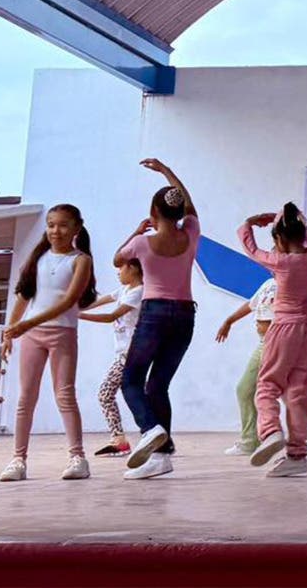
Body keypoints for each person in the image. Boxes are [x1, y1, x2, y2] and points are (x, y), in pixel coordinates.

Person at [0, 204, 98, 482]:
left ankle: (78, 457)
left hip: (62, 333)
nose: (56, 231)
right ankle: (18, 459)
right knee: (26, 397)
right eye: (51, 225)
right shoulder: (38, 258)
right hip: (32, 336)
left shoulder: (80, 260)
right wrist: (10, 331)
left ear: (77, 228)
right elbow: (23, 296)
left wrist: (27, 323)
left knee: (64, 394)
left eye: (63, 225)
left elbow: (68, 301)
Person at [115, 158, 200, 480]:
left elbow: (117, 259)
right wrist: (167, 172)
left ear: (153, 214)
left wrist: (136, 231)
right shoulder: (191, 234)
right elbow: (189, 205)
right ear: (180, 214)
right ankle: (162, 457)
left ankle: (150, 429)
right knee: (158, 385)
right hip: (185, 315)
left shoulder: (141, 243)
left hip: (154, 314)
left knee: (131, 380)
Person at [238, 204, 307, 477]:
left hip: (285, 329)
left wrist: (250, 222)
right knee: (300, 394)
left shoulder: (281, 262)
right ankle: (297, 455)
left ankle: (270, 432)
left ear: (279, 240)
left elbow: (250, 248)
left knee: (267, 385)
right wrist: (287, 217)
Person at [80, 258, 143, 457]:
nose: (118, 272)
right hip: (123, 353)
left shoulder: (138, 292)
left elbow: (110, 317)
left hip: (130, 354)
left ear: (133, 268)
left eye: (121, 268)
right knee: (135, 394)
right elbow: (100, 301)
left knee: (106, 394)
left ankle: (123, 440)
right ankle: (145, 436)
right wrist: (76, 307)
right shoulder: (124, 290)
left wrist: (77, 316)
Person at [215, 278, 280, 457]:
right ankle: (249, 441)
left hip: (280, 341)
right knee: (245, 389)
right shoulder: (269, 283)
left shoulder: (292, 283)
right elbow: (252, 303)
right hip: (264, 343)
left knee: (289, 391)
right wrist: (229, 321)